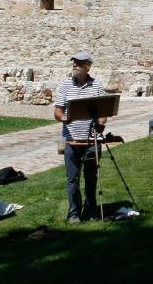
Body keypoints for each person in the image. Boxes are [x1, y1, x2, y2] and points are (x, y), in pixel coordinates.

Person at [54, 51, 107, 223]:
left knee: (91, 178)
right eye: (74, 62)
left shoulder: (97, 86)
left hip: (91, 140)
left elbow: (102, 112)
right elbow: (58, 111)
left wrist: (101, 124)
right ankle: (74, 213)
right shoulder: (64, 86)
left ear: (88, 66)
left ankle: (91, 210)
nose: (75, 64)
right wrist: (65, 118)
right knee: (73, 179)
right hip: (71, 140)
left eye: (79, 62)